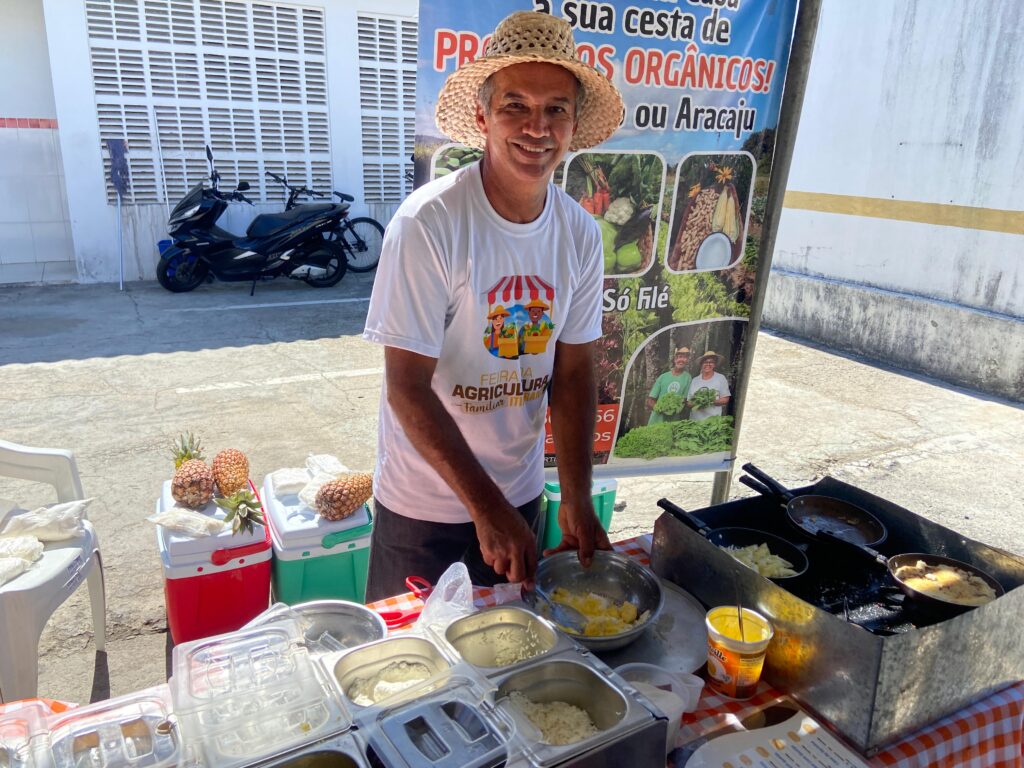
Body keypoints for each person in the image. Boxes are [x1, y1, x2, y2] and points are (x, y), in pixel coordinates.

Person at [361, 11, 625, 602]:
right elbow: (406, 387)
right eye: (515, 105)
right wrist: (486, 507)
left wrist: (576, 498)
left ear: (573, 124)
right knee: (414, 660)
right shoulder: (429, 223)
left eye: (556, 109)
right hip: (424, 509)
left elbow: (573, 372)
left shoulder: (579, 234)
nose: (537, 127)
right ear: (483, 118)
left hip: (520, 497)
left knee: (513, 653)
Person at [646, 347, 692, 425]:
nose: (682, 360)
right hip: (656, 420)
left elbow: (684, 400)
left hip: (673, 422)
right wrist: (660, 409)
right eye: (680, 357)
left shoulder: (687, 378)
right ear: (675, 359)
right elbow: (650, 400)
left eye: (685, 358)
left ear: (687, 360)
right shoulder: (663, 377)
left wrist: (672, 409)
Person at [687, 351, 731, 421]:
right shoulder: (695, 380)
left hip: (713, 422)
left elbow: (725, 400)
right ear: (701, 364)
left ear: (715, 364)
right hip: (695, 421)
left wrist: (709, 401)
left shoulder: (720, 378)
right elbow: (689, 402)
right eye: (705, 362)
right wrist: (699, 402)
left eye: (711, 362)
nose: (708, 364)